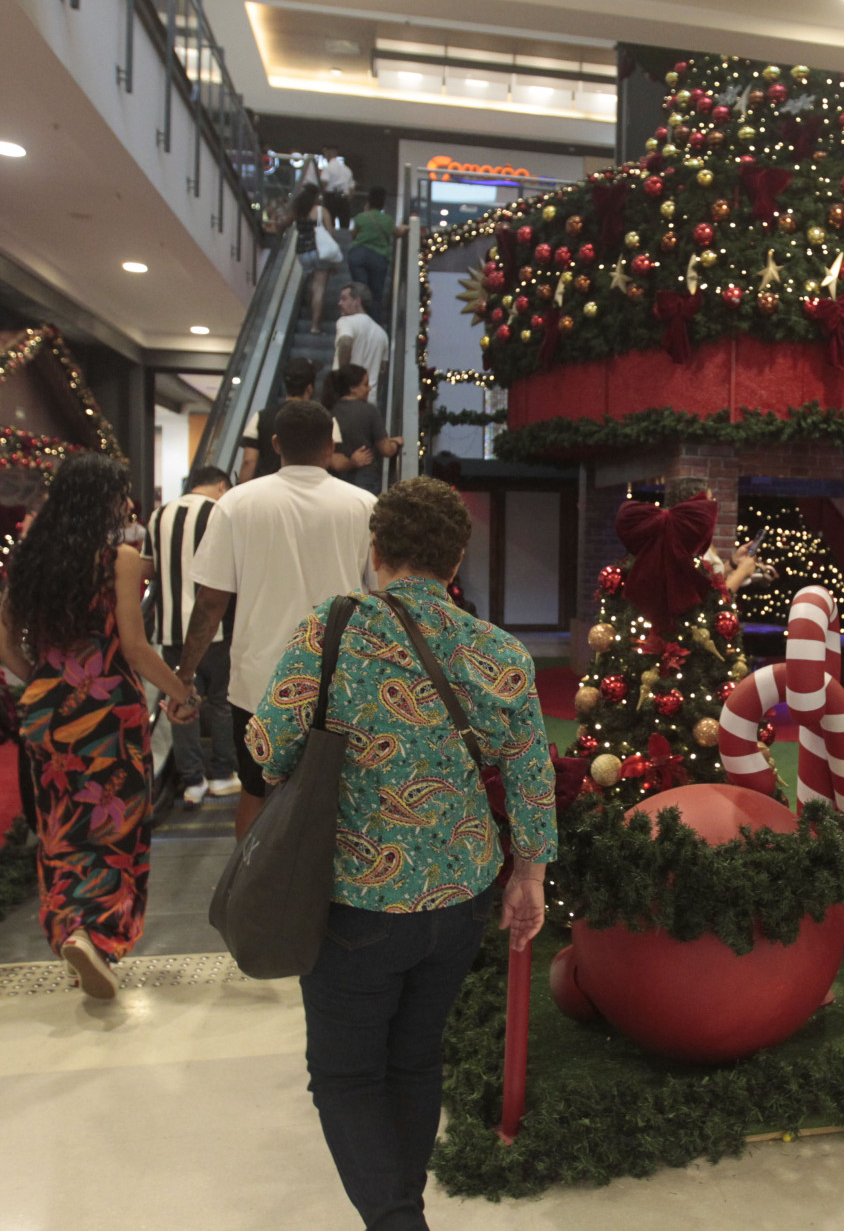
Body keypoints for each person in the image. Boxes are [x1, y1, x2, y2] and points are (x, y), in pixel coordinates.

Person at [250, 475, 556, 1231]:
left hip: (356, 899)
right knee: (416, 1060)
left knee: (346, 1075)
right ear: (456, 563)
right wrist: (530, 878)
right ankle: (403, 1206)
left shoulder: (333, 628)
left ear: (376, 549)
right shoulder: (497, 652)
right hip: (459, 901)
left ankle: (396, 1222)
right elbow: (530, 777)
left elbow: (266, 746)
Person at [0, 453, 195, 999]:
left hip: (45, 709)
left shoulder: (28, 557)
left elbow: (1, 645)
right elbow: (133, 645)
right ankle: (97, 935)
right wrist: (181, 691)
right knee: (113, 826)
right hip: (106, 712)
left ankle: (69, 926)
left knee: (61, 825)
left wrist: (43, 682)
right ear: (105, 501)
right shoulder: (118, 560)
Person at [178, 401, 376, 839]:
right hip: (340, 679)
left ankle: (250, 898)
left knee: (255, 792)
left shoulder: (236, 503)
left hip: (258, 682)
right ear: (331, 446)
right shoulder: (364, 505)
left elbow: (210, 604)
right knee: (340, 799)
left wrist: (185, 675)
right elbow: (381, 598)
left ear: (274, 444)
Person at [142, 465, 238, 807]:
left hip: (170, 631)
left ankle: (192, 781)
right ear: (222, 486)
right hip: (216, 629)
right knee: (221, 701)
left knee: (180, 699)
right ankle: (224, 775)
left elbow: (149, 569)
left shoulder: (159, 515)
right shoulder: (221, 511)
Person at [667, 476, 759, 593]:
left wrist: (733, 563)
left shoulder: (696, 537)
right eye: (709, 501)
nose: (713, 507)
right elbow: (710, 600)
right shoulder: (686, 542)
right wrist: (742, 572)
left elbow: (709, 579)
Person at [321, 363, 401, 493]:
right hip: (366, 480)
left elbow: (334, 458)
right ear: (353, 388)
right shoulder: (369, 411)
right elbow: (386, 450)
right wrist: (396, 442)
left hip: (337, 483)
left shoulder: (330, 411)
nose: (369, 389)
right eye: (365, 384)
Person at [238, 358, 319, 480]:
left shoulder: (261, 416)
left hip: (267, 488)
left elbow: (249, 461)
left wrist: (241, 490)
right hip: (305, 487)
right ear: (309, 388)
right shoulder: (320, 418)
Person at [284, 183, 339, 334]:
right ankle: (315, 326)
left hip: (302, 252)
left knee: (311, 282)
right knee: (319, 288)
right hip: (319, 252)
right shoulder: (322, 211)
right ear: (317, 196)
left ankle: (308, 309)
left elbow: (285, 223)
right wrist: (334, 262)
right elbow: (331, 234)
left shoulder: (298, 211)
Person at [347, 187, 396, 323]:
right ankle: (373, 324)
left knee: (360, 292)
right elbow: (397, 233)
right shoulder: (388, 220)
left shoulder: (361, 217)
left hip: (358, 256)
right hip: (379, 258)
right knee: (376, 295)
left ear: (368, 201)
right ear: (383, 204)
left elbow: (353, 235)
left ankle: (358, 322)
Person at [332, 282, 389, 388]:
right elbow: (383, 368)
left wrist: (343, 378)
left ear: (357, 301)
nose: (340, 303)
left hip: (347, 394)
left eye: (344, 299)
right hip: (369, 396)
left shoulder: (346, 321)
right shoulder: (382, 333)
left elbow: (345, 342)